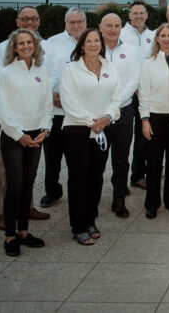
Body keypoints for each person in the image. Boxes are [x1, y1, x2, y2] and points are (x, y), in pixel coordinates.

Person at [59, 27, 122, 246]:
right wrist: (90, 122)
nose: (94, 44)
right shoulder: (71, 69)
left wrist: (107, 118)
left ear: (101, 44)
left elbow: (117, 97)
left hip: (104, 129)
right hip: (77, 130)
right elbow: (68, 100)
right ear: (82, 45)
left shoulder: (110, 67)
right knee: (79, 179)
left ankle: (90, 220)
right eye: (89, 41)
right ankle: (78, 226)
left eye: (97, 40)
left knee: (96, 177)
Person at [0, 28, 53, 256]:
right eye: (21, 43)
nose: (26, 46)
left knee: (28, 185)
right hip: (13, 137)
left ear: (35, 46)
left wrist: (46, 128)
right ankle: (10, 236)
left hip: (37, 135)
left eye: (30, 42)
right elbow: (1, 109)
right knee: (14, 186)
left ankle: (24, 231)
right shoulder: (6, 73)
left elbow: (47, 104)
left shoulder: (42, 71)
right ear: (14, 48)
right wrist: (19, 135)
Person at [40, 7, 88, 209]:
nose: (76, 26)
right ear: (65, 23)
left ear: (85, 23)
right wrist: (49, 96)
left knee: (79, 159)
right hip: (57, 112)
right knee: (52, 157)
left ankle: (80, 193)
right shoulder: (51, 44)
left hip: (81, 114)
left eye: (79, 22)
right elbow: (42, 74)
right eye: (72, 22)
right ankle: (52, 191)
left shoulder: (93, 42)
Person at [99, 12, 141, 219]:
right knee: (98, 158)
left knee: (121, 159)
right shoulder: (92, 49)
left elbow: (134, 80)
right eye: (109, 25)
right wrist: (106, 108)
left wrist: (115, 105)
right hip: (99, 113)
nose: (113, 29)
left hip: (124, 112)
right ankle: (92, 199)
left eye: (116, 25)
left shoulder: (131, 51)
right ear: (100, 27)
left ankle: (119, 199)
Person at [138, 24, 169, 218]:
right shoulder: (149, 63)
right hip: (155, 117)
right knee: (154, 163)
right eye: (162, 35)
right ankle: (152, 203)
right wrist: (145, 120)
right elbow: (144, 94)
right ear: (157, 39)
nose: (166, 39)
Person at [120, 2, 154, 190]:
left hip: (146, 94)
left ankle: (138, 175)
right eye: (135, 13)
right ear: (129, 15)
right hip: (126, 94)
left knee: (143, 137)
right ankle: (120, 181)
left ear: (147, 16)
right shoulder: (121, 34)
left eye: (142, 13)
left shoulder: (152, 35)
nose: (139, 16)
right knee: (123, 140)